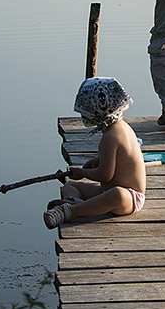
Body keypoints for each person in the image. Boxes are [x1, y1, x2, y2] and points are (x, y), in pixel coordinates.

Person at [44, 77, 146, 228]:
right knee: (71, 186)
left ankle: (70, 211)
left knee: (116, 194)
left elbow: (105, 175)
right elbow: (119, 157)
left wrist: (82, 173)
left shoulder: (110, 137)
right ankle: (75, 202)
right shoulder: (121, 127)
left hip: (130, 197)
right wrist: (98, 160)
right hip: (107, 190)